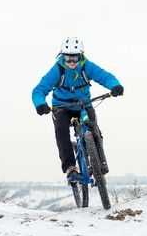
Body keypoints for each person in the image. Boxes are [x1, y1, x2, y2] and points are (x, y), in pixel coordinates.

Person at [32, 36, 124, 181]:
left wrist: (115, 85)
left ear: (81, 56)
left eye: (75, 58)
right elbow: (39, 90)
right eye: (68, 58)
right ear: (62, 56)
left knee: (94, 130)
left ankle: (98, 162)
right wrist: (40, 104)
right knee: (61, 131)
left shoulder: (87, 66)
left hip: (83, 104)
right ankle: (70, 168)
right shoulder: (57, 70)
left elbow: (104, 76)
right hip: (62, 106)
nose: (72, 62)